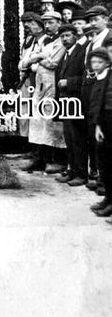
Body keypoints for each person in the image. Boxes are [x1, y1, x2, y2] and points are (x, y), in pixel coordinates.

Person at [24, 11, 66, 173]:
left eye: (51, 23)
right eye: (45, 23)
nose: (47, 26)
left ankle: (56, 160)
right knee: (37, 121)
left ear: (59, 23)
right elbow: (28, 63)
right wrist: (38, 59)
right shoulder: (44, 40)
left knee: (51, 122)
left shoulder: (61, 40)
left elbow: (52, 63)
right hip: (40, 85)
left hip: (53, 85)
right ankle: (39, 159)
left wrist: (37, 58)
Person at [55, 24, 87, 185]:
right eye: (62, 36)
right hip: (65, 103)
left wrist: (69, 82)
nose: (65, 39)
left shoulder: (81, 53)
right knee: (69, 138)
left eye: (68, 36)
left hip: (77, 102)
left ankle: (81, 174)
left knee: (78, 139)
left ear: (75, 36)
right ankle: (72, 170)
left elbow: (86, 78)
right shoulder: (65, 54)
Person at [87, 47, 112, 219]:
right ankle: (108, 199)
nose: (95, 65)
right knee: (103, 163)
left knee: (109, 163)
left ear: (107, 63)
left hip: (109, 121)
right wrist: (97, 125)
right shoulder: (98, 77)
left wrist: (100, 125)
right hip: (101, 123)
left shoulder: (109, 78)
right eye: (93, 62)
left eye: (99, 62)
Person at [18, 12, 46, 141]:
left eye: (30, 23)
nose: (26, 26)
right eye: (25, 23)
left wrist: (31, 64)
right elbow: (23, 62)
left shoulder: (46, 40)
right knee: (24, 109)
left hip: (40, 79)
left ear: (40, 25)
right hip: (28, 78)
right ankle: (25, 142)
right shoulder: (30, 40)